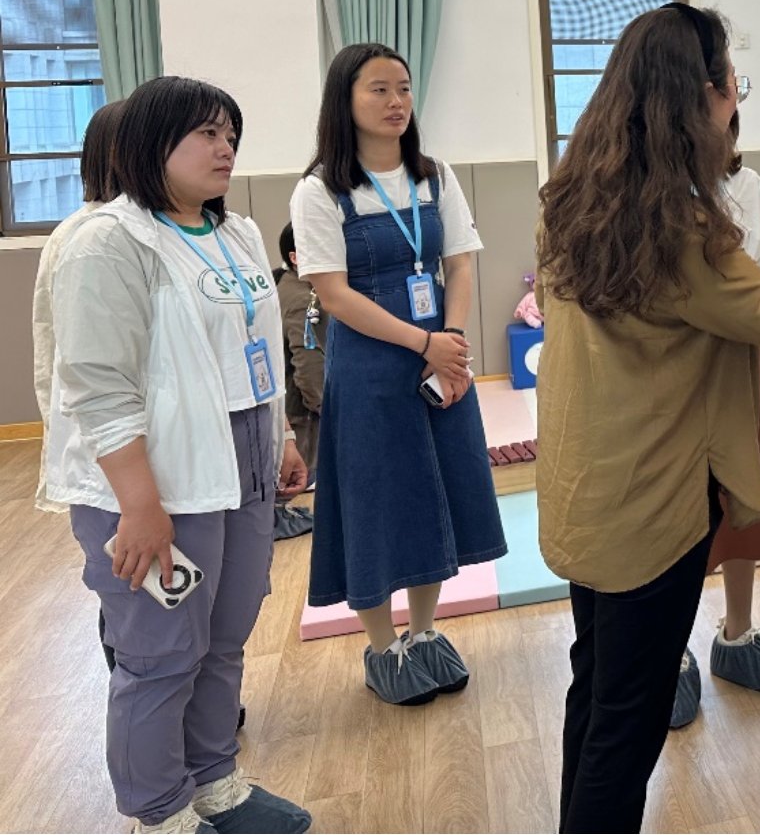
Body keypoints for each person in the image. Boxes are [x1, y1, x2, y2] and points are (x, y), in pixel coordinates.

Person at [535, 2, 760, 834]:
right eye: (733, 82)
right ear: (702, 96)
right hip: (652, 499)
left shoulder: (569, 200)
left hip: (587, 486)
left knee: (596, 688)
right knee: (628, 723)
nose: (737, 97)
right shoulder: (680, 226)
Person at [44, 76, 311, 834]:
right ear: (150, 143)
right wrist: (139, 505)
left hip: (242, 458)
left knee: (224, 636)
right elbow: (97, 387)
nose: (226, 148)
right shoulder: (108, 241)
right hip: (156, 475)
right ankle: (160, 811)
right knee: (161, 652)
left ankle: (215, 782)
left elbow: (257, 349)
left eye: (231, 134)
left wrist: (283, 438)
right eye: (207, 134)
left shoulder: (238, 234)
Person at [290, 42, 506, 706]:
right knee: (377, 499)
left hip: (441, 355)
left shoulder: (434, 176)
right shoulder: (320, 190)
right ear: (345, 100)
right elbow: (333, 294)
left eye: (404, 88)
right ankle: (382, 646)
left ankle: (425, 631)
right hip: (370, 366)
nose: (396, 102)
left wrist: (453, 341)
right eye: (379, 89)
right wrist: (425, 343)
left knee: (436, 488)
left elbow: (460, 264)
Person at [670, 108, 760, 728]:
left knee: (747, 493)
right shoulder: (653, 190)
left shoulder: (745, 184)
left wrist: (745, 299)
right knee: (679, 510)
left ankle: (738, 632)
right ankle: (670, 652)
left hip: (743, 356)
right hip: (673, 369)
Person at [33, 100, 126, 670]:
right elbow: (64, 363)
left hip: (144, 446)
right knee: (127, 595)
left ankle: (194, 702)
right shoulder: (85, 237)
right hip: (105, 449)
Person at [271, 222, 327, 541]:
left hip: (292, 406)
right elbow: (307, 361)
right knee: (298, 471)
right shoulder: (304, 298)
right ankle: (277, 517)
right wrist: (324, 407)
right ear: (296, 257)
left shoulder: (285, 286)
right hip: (300, 410)